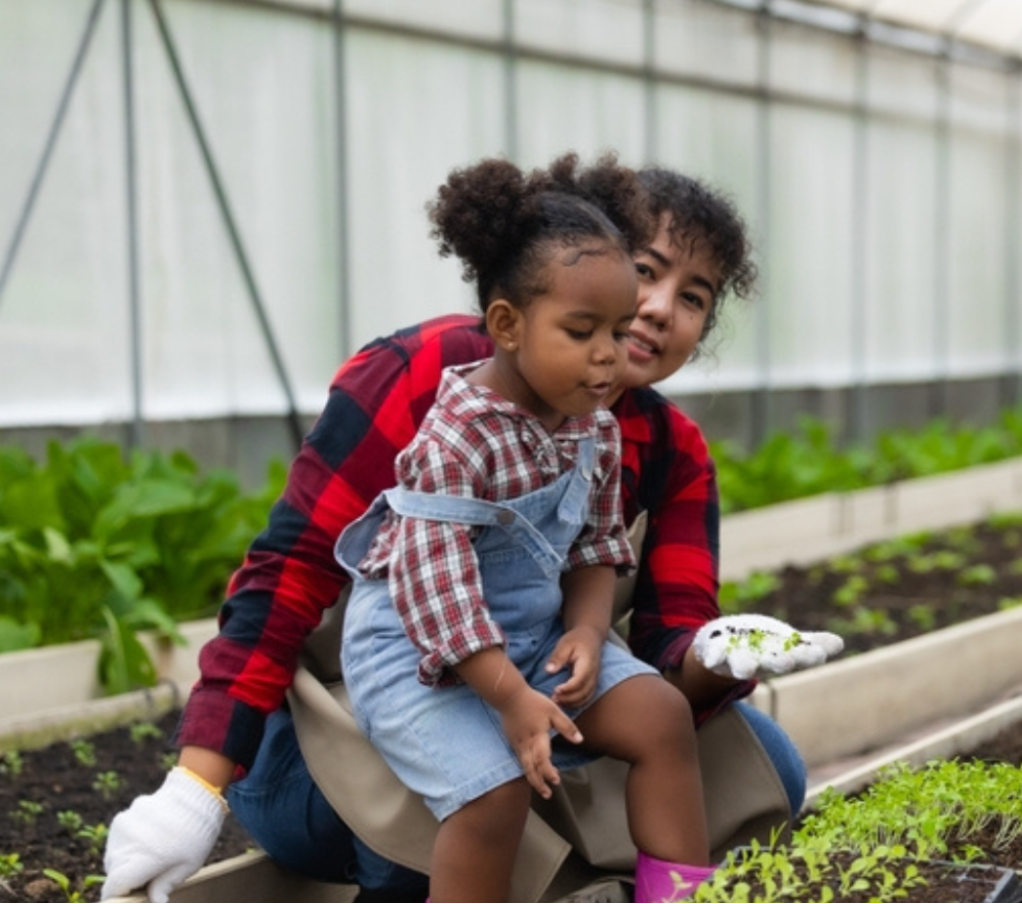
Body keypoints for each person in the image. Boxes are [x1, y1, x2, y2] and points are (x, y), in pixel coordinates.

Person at [103, 158, 838, 903]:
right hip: (375, 691)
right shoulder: (437, 387)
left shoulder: (642, 439)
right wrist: (195, 787)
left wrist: (713, 654)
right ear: (518, 314)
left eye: (693, 297)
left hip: (528, 669)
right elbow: (290, 574)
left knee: (760, 763)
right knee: (464, 806)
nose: (655, 310)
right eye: (644, 271)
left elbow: (652, 626)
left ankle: (633, 883)